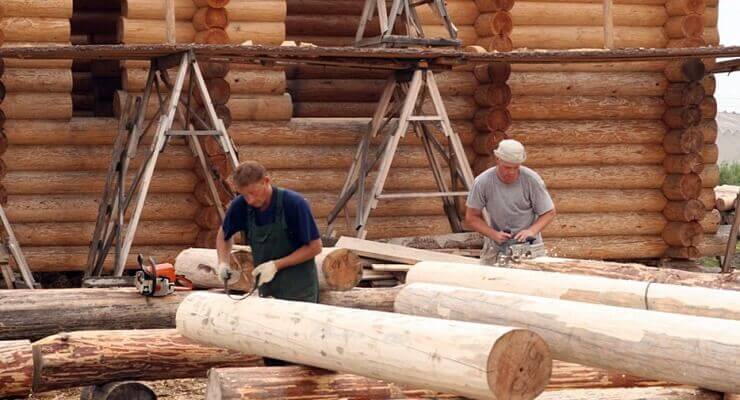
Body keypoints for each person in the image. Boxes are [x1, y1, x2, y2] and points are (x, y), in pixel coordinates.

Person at [216, 161, 323, 302]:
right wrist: (223, 262)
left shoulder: (294, 204)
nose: (250, 200)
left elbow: (315, 247)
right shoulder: (241, 205)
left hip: (299, 291)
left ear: (266, 181)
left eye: (253, 193)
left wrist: (276, 265)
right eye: (244, 195)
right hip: (267, 291)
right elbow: (224, 234)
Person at [465, 139, 556, 265]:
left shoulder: (532, 180)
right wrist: (494, 234)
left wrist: (531, 231)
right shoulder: (482, 182)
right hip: (496, 246)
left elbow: (549, 212)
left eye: (516, 167)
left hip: (529, 247)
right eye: (507, 167)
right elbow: (471, 217)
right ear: (497, 159)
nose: (511, 172)